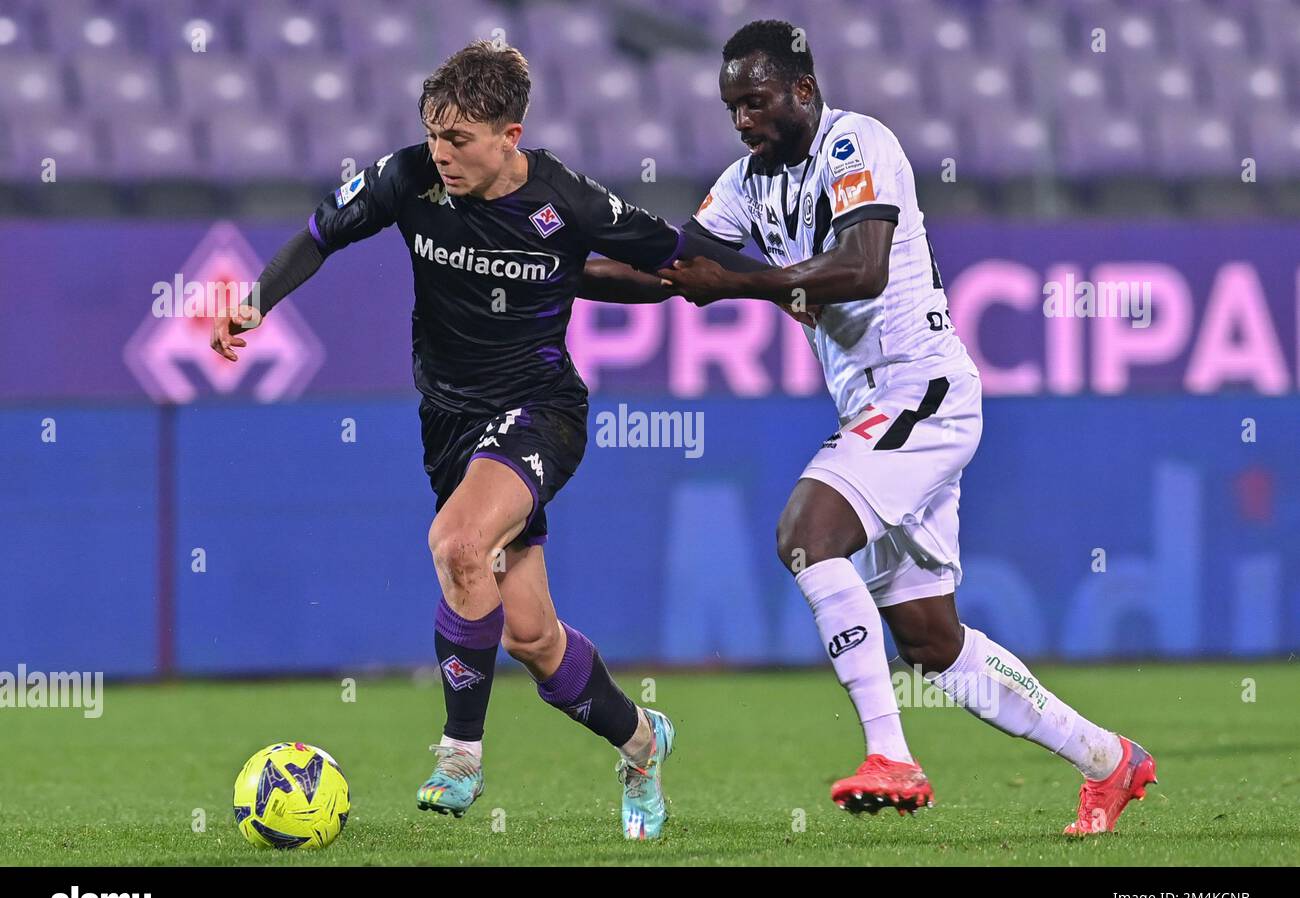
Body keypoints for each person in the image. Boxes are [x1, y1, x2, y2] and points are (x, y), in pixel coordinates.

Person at [580, 20, 1157, 835]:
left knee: (807, 534)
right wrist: (552, 268)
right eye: (730, 107)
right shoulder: (746, 182)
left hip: (921, 389)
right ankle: (1109, 759)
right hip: (875, 407)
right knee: (932, 640)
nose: (741, 120)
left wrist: (742, 283)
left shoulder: (857, 145)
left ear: (801, 91)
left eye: (754, 102)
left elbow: (862, 266)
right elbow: (675, 268)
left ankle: (890, 753)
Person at [212, 40, 761, 840]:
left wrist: (786, 290)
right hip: (450, 425)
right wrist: (255, 301)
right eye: (433, 133)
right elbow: (320, 234)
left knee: (459, 544)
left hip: (541, 409)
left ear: (511, 133)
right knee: (535, 640)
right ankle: (642, 742)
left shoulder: (567, 200)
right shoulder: (408, 177)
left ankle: (459, 752)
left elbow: (677, 260)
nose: (442, 152)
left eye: (459, 138)